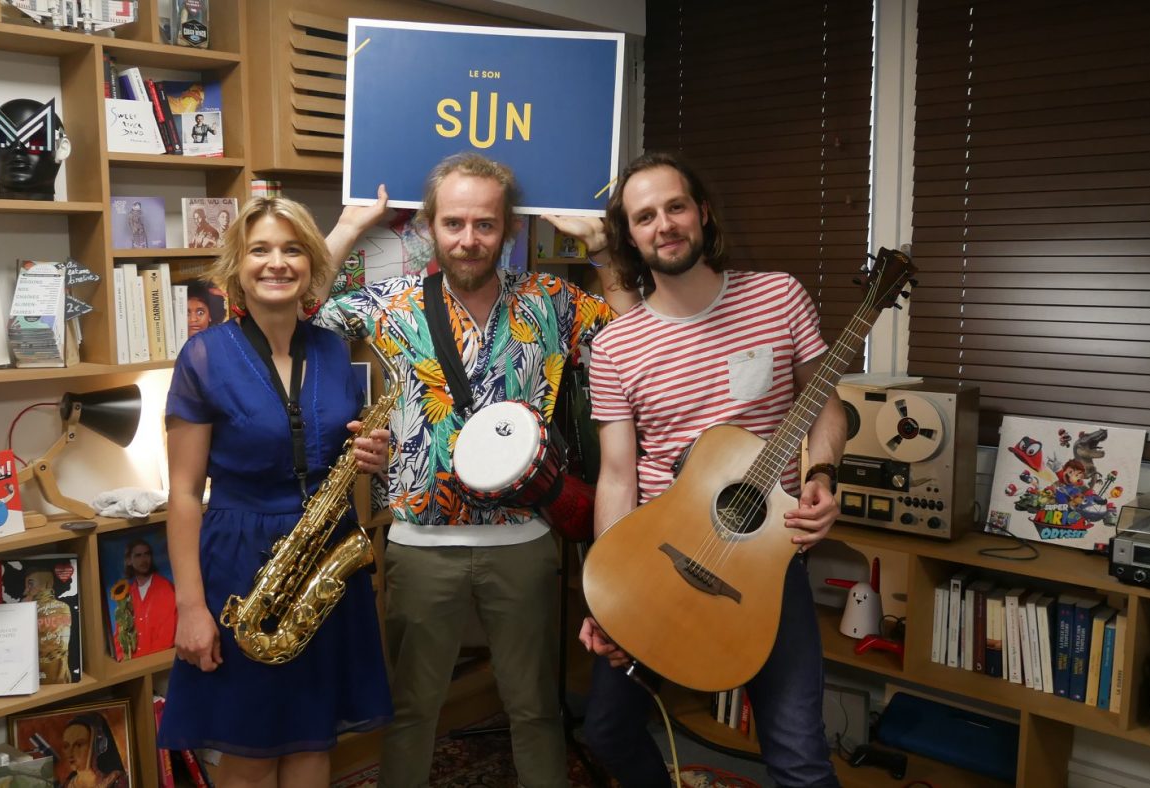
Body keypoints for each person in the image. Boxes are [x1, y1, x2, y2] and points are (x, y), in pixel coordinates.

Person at [311, 152, 635, 788]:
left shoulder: (551, 300)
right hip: (419, 545)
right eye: (453, 223)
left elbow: (637, 339)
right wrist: (348, 229)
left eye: (485, 225)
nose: (468, 239)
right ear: (430, 226)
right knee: (412, 716)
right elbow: (296, 313)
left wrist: (603, 249)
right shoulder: (393, 303)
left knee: (536, 712)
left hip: (525, 540)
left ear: (509, 229)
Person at [579, 151, 846, 787]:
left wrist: (824, 475)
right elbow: (617, 475)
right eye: (645, 217)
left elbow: (826, 404)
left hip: (766, 561)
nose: (664, 224)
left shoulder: (778, 295)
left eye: (675, 207)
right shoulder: (615, 345)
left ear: (701, 212)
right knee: (608, 733)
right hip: (659, 559)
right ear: (630, 236)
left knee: (800, 757)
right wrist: (608, 591)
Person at [158, 195, 393, 787]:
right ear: (238, 265)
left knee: (314, 736)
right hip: (240, 563)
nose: (276, 263)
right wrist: (190, 608)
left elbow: (345, 449)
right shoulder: (203, 356)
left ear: (311, 265)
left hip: (324, 557)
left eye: (292, 250)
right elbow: (184, 493)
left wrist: (373, 455)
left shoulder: (332, 349)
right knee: (252, 745)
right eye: (260, 250)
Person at [112, 538, 176, 660]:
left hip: (156, 663)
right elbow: (119, 635)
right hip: (131, 665)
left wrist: (144, 664)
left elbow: (167, 637)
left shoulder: (164, 588)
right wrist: (122, 659)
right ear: (129, 561)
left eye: (147, 554)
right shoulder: (127, 594)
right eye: (138, 556)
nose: (144, 560)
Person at [59, 713, 129, 788]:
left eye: (79, 745)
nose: (70, 753)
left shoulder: (117, 782)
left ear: (98, 745)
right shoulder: (66, 785)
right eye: (66, 746)